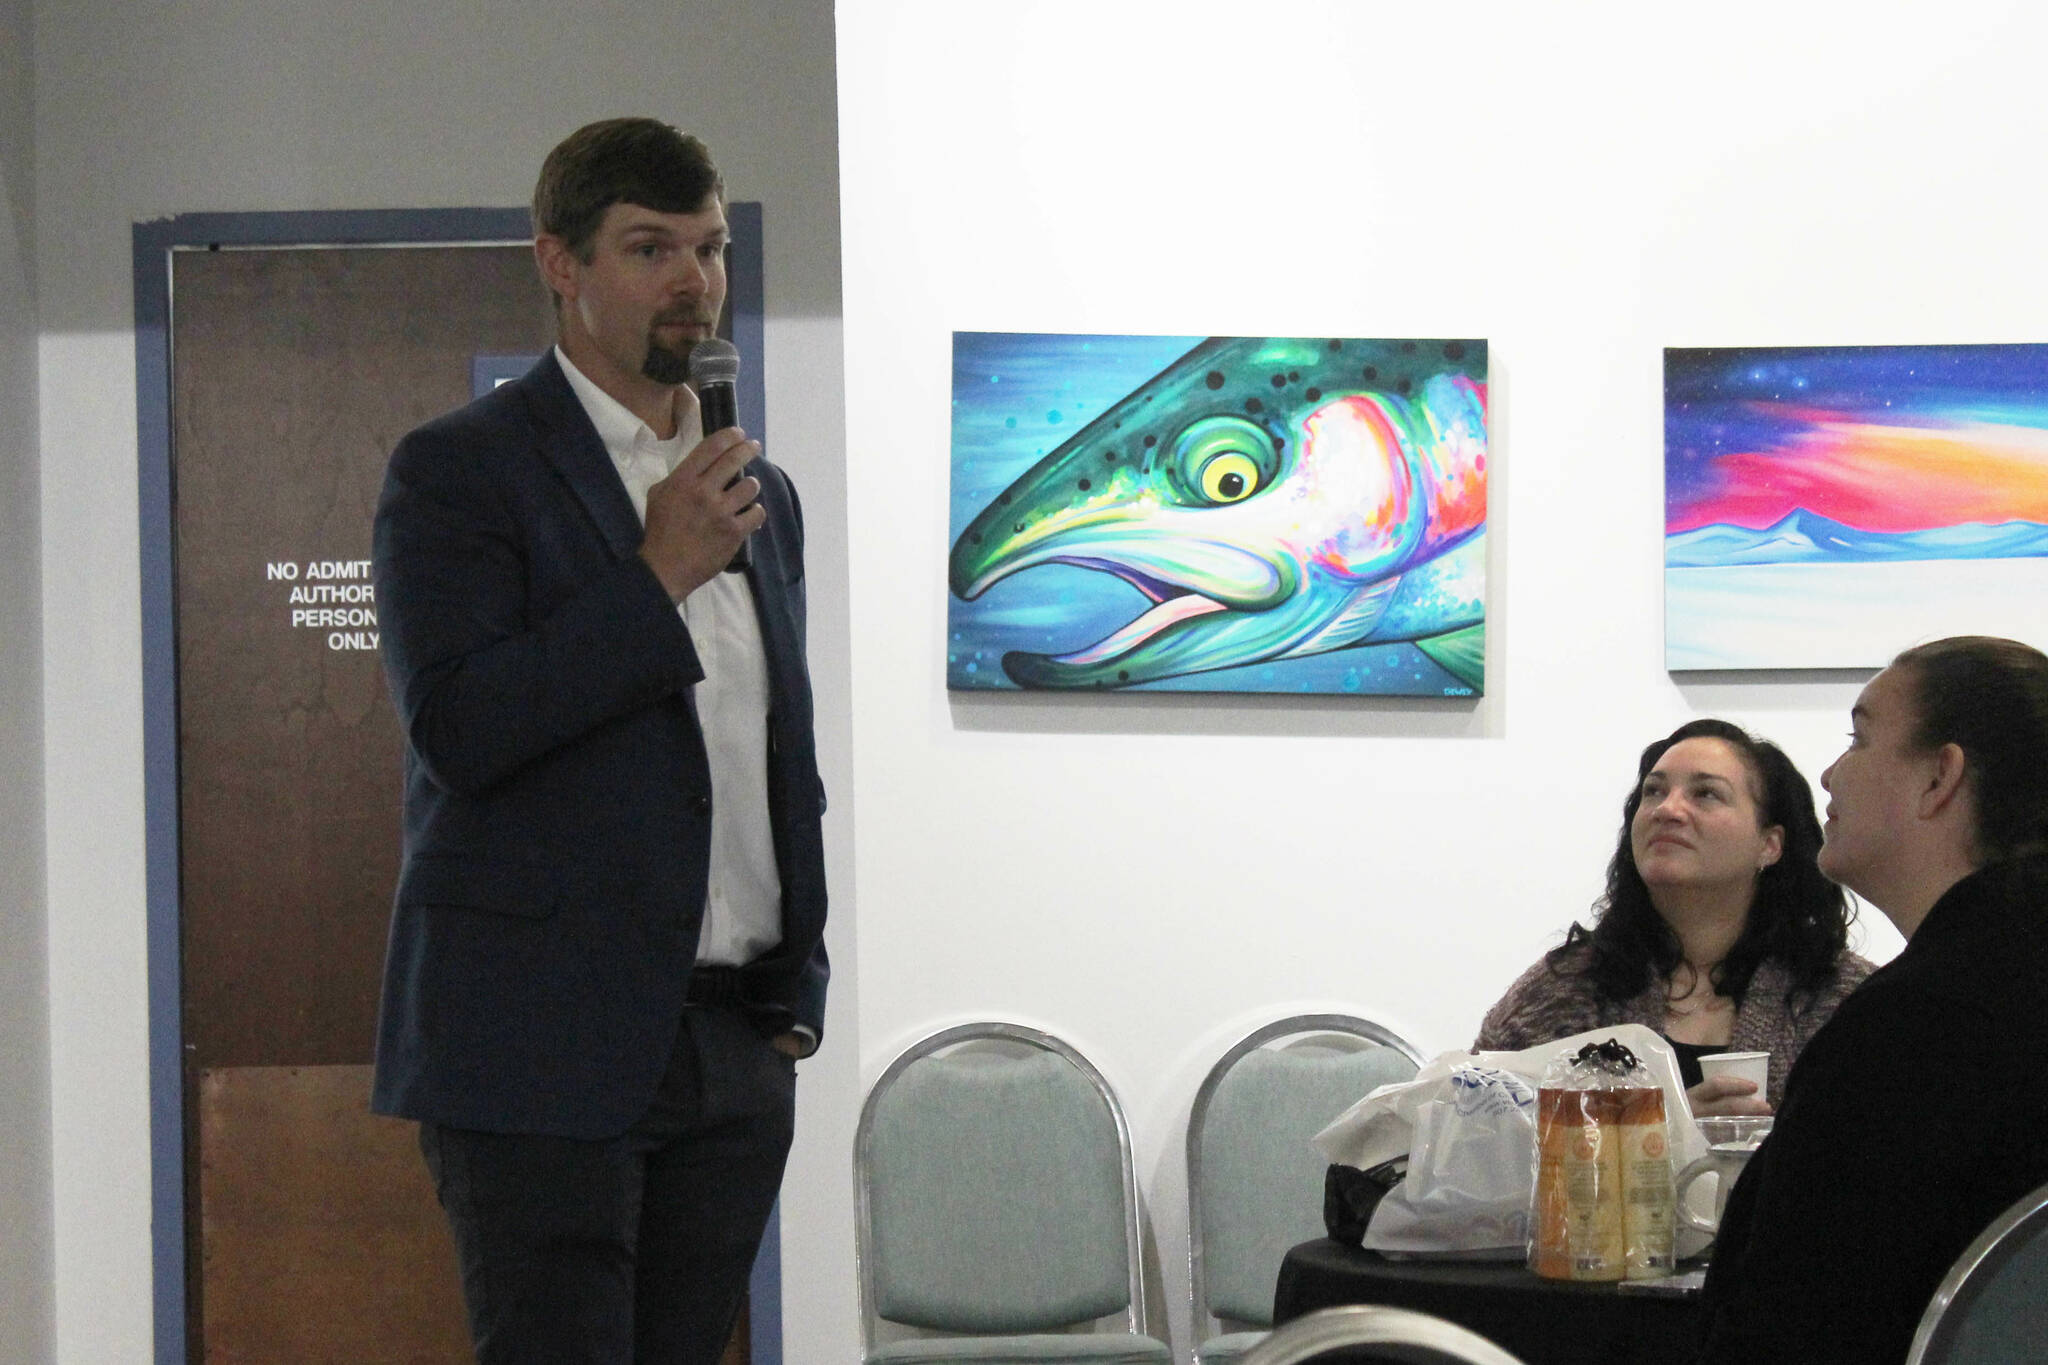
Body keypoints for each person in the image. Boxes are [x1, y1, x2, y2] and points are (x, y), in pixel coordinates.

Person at [369, 118, 828, 1365]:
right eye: (648, 248)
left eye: (710, 247)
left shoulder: (757, 493)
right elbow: (459, 729)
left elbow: (774, 756)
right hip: (537, 1049)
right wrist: (653, 576)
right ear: (559, 265)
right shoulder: (460, 474)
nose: (693, 281)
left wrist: (795, 1003)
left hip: (731, 1045)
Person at [1700, 637, 2048, 1364]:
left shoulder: (1914, 1032)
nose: (1829, 773)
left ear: (1940, 777)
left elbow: (1784, 1324)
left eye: (1859, 738)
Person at [1475, 719, 1871, 1113]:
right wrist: (1667, 1128)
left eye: (1706, 794)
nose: (1667, 809)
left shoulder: (1847, 1001)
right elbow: (1477, 1135)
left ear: (1769, 845)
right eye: (1654, 791)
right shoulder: (1562, 990)